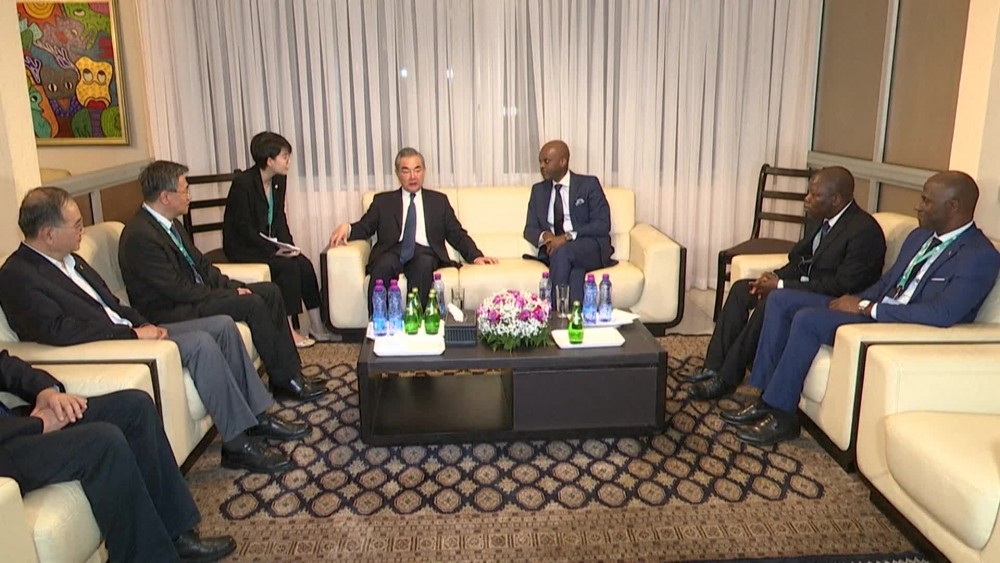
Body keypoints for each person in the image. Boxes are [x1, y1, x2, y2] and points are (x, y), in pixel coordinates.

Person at [0, 187, 309, 474]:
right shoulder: (18, 276)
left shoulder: (71, 260)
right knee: (201, 343)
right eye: (77, 225)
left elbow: (112, 304)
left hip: (133, 330)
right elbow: (58, 331)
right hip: (113, 345)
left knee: (224, 326)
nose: (82, 230)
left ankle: (255, 416)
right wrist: (133, 335)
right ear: (49, 234)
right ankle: (237, 444)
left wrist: (142, 324)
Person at [724, 171, 1000, 446]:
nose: (918, 206)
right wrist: (855, 300)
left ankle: (783, 416)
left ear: (953, 206)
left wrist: (867, 308)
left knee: (807, 319)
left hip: (899, 325)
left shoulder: (979, 255)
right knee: (781, 299)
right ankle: (766, 398)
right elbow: (887, 282)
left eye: (927, 201)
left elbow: (943, 313)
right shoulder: (920, 237)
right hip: (875, 309)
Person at [0, 349, 236, 562]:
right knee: (103, 442)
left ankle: (176, 535)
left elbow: (3, 364)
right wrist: (38, 424)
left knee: (135, 406)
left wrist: (46, 391)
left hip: (14, 425)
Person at [118, 161, 326, 402]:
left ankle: (289, 376)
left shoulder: (170, 224)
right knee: (253, 304)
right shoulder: (140, 236)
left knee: (270, 291)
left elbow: (204, 267)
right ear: (165, 197)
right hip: (172, 309)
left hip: (194, 296)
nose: (189, 196)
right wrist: (228, 295)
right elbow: (177, 289)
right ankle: (286, 380)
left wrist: (235, 287)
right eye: (185, 190)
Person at [686, 167, 886, 401]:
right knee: (742, 289)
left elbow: (841, 286)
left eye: (815, 195)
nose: (807, 199)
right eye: (808, 193)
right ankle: (713, 366)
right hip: (805, 288)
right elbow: (799, 261)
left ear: (836, 199)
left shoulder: (864, 232)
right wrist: (771, 278)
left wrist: (781, 285)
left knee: (773, 299)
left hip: (833, 300)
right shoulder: (821, 220)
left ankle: (726, 379)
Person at [329, 147, 498, 308]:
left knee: (423, 266)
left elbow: (456, 233)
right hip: (393, 251)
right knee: (383, 266)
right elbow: (366, 226)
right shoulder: (383, 202)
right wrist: (348, 228)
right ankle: (378, 323)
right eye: (406, 171)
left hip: (424, 252)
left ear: (424, 171)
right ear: (397, 173)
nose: (412, 176)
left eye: (417, 170)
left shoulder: (438, 201)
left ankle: (418, 321)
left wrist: (476, 256)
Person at [223, 132, 338, 348]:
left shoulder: (278, 181)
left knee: (303, 263)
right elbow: (243, 229)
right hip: (243, 247)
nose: (288, 162)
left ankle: (317, 326)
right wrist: (273, 249)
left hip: (268, 244)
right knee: (287, 267)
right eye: (284, 157)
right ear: (269, 160)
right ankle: (288, 331)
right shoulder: (243, 184)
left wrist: (289, 246)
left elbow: (279, 218)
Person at [523, 140, 615, 304]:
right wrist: (547, 237)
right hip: (556, 252)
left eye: (546, 161)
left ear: (563, 161)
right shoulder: (538, 191)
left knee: (563, 252)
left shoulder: (588, 185)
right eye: (540, 162)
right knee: (575, 273)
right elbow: (529, 229)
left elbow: (602, 224)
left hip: (589, 246)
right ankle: (573, 315)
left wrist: (566, 237)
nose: (542, 166)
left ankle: (551, 311)